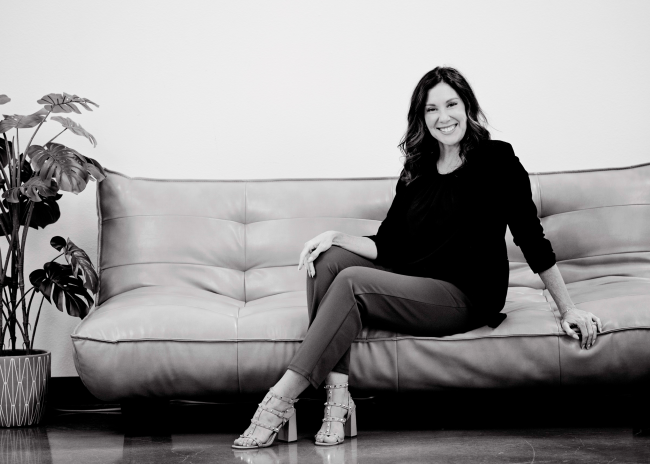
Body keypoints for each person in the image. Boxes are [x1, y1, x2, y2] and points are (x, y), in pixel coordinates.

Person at [232, 66, 603, 449]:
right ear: (421, 117)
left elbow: (530, 237)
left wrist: (567, 308)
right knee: (326, 261)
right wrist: (336, 237)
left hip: (466, 295)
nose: (443, 117)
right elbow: (389, 244)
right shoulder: (417, 168)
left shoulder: (497, 158)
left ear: (467, 106)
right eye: (431, 109)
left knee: (351, 282)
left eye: (451, 104)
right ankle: (338, 398)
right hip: (416, 279)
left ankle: (281, 398)